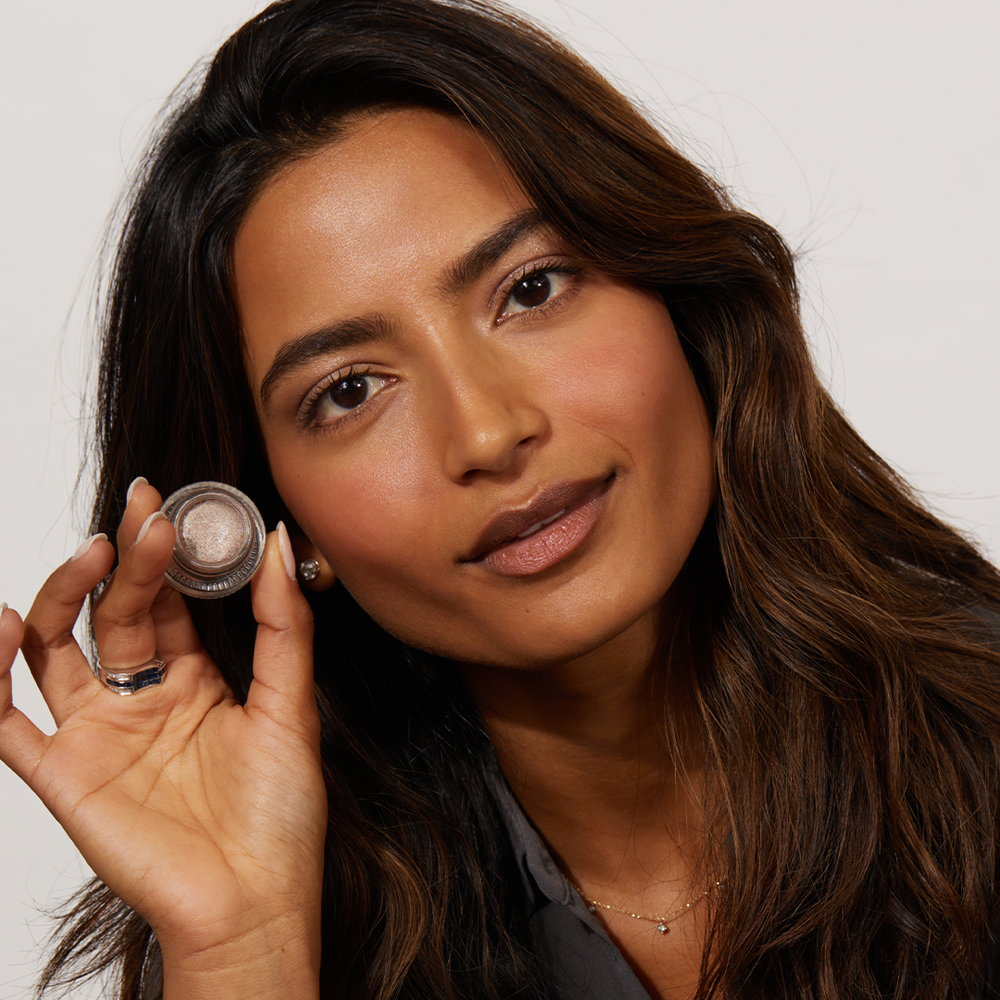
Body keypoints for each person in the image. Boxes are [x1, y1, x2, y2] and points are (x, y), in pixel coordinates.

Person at [1, 0, 999, 997]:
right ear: (274, 523)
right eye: (350, 390)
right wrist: (243, 948)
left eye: (530, 289)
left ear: (684, 301)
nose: (486, 432)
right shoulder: (287, 925)